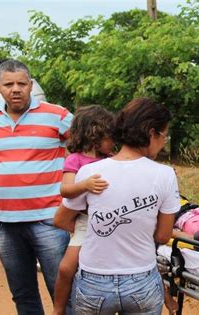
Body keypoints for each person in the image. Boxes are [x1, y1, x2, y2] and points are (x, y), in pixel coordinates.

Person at [54, 98, 180, 314]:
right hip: (141, 281)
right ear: (151, 133)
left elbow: (61, 220)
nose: (163, 142)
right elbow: (162, 236)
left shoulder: (90, 173)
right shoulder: (165, 174)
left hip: (94, 281)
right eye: (163, 136)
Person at [0, 59, 73, 314]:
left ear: (31, 85)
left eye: (22, 83)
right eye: (9, 84)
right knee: (22, 294)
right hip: (7, 224)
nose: (16, 89)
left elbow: (89, 146)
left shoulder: (57, 115)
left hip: (50, 220)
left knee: (62, 292)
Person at [52, 105, 115, 315]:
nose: (113, 142)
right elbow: (65, 189)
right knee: (66, 268)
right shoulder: (75, 159)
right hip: (84, 222)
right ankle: (59, 308)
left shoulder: (111, 160)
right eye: (109, 137)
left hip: (109, 221)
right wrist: (84, 185)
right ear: (94, 134)